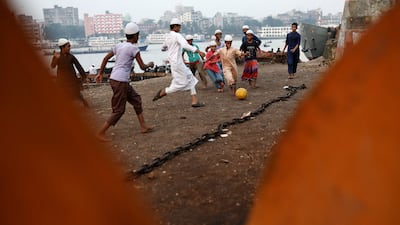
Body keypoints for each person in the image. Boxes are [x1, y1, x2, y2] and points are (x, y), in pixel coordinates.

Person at [95, 22, 154, 141]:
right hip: (120, 81)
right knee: (119, 110)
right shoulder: (134, 49)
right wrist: (150, 64)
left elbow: (106, 58)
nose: (139, 37)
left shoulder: (119, 45)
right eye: (138, 35)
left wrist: (100, 73)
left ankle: (143, 126)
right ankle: (100, 133)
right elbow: (142, 67)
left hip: (116, 79)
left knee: (136, 100)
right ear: (135, 35)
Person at [152, 18, 206, 108]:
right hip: (178, 63)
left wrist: (168, 48)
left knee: (190, 77)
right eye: (179, 26)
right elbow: (185, 45)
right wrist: (198, 51)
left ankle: (194, 101)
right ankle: (164, 91)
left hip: (175, 63)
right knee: (181, 84)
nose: (180, 28)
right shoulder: (177, 35)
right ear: (176, 26)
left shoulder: (168, 36)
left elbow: (163, 48)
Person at [50, 38, 89, 107]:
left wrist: (84, 76)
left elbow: (78, 66)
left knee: (76, 93)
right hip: (61, 80)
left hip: (72, 79)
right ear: (62, 47)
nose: (69, 48)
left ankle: (84, 103)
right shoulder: (57, 56)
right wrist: (56, 58)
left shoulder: (71, 57)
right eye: (68, 46)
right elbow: (52, 66)